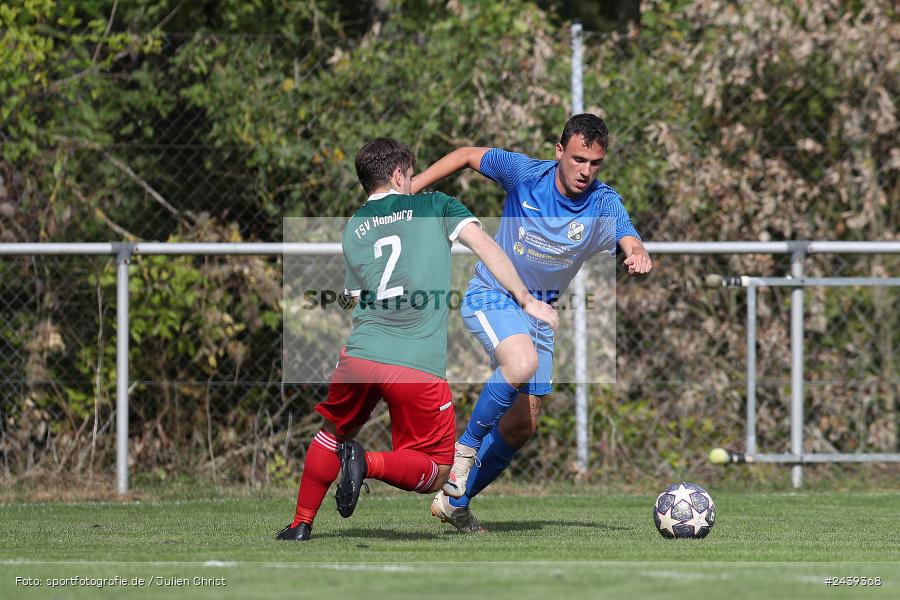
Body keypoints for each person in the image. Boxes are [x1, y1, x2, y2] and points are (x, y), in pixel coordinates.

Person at [276, 138, 557, 541]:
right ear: (397, 175)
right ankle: (365, 463)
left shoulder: (354, 225)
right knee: (438, 469)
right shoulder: (436, 205)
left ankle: (300, 524)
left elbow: (353, 296)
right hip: (414, 364)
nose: (414, 183)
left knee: (330, 433)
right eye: (410, 176)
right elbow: (487, 249)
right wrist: (527, 300)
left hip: (360, 354)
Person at [410, 113, 652, 532]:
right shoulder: (525, 174)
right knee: (519, 363)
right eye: (578, 159)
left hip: (540, 313)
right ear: (560, 151)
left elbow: (627, 234)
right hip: (494, 295)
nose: (585, 171)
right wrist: (409, 190)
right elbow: (467, 155)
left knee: (523, 425)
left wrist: (637, 252)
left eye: (595, 163)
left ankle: (455, 502)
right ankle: (464, 452)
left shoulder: (603, 202)